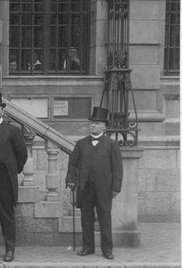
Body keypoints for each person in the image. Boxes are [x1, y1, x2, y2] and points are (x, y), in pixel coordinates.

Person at [65, 106, 123, 261]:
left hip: (104, 188)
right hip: (85, 187)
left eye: (97, 123)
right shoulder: (81, 143)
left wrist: (115, 188)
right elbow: (72, 163)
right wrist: (70, 179)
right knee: (86, 218)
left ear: (104, 126)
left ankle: (107, 250)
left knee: (105, 218)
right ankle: (88, 247)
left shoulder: (112, 145)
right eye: (92, 123)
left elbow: (118, 168)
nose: (93, 125)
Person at [0, 92, 28, 262]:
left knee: (5, 214)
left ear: (2, 111)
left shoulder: (11, 130)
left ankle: (10, 248)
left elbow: (21, 153)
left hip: (4, 177)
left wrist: (13, 170)